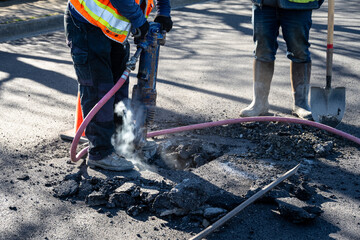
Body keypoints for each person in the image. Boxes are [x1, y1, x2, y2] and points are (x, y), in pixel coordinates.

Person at [64, 0, 173, 171]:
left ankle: (124, 140)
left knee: (119, 89)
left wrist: (164, 12)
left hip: (114, 30)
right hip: (87, 23)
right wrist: (139, 21)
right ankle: (101, 153)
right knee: (100, 91)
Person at [240, 0, 324, 120]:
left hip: (299, 4)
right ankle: (259, 103)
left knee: (299, 50)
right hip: (264, 3)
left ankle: (301, 104)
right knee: (262, 50)